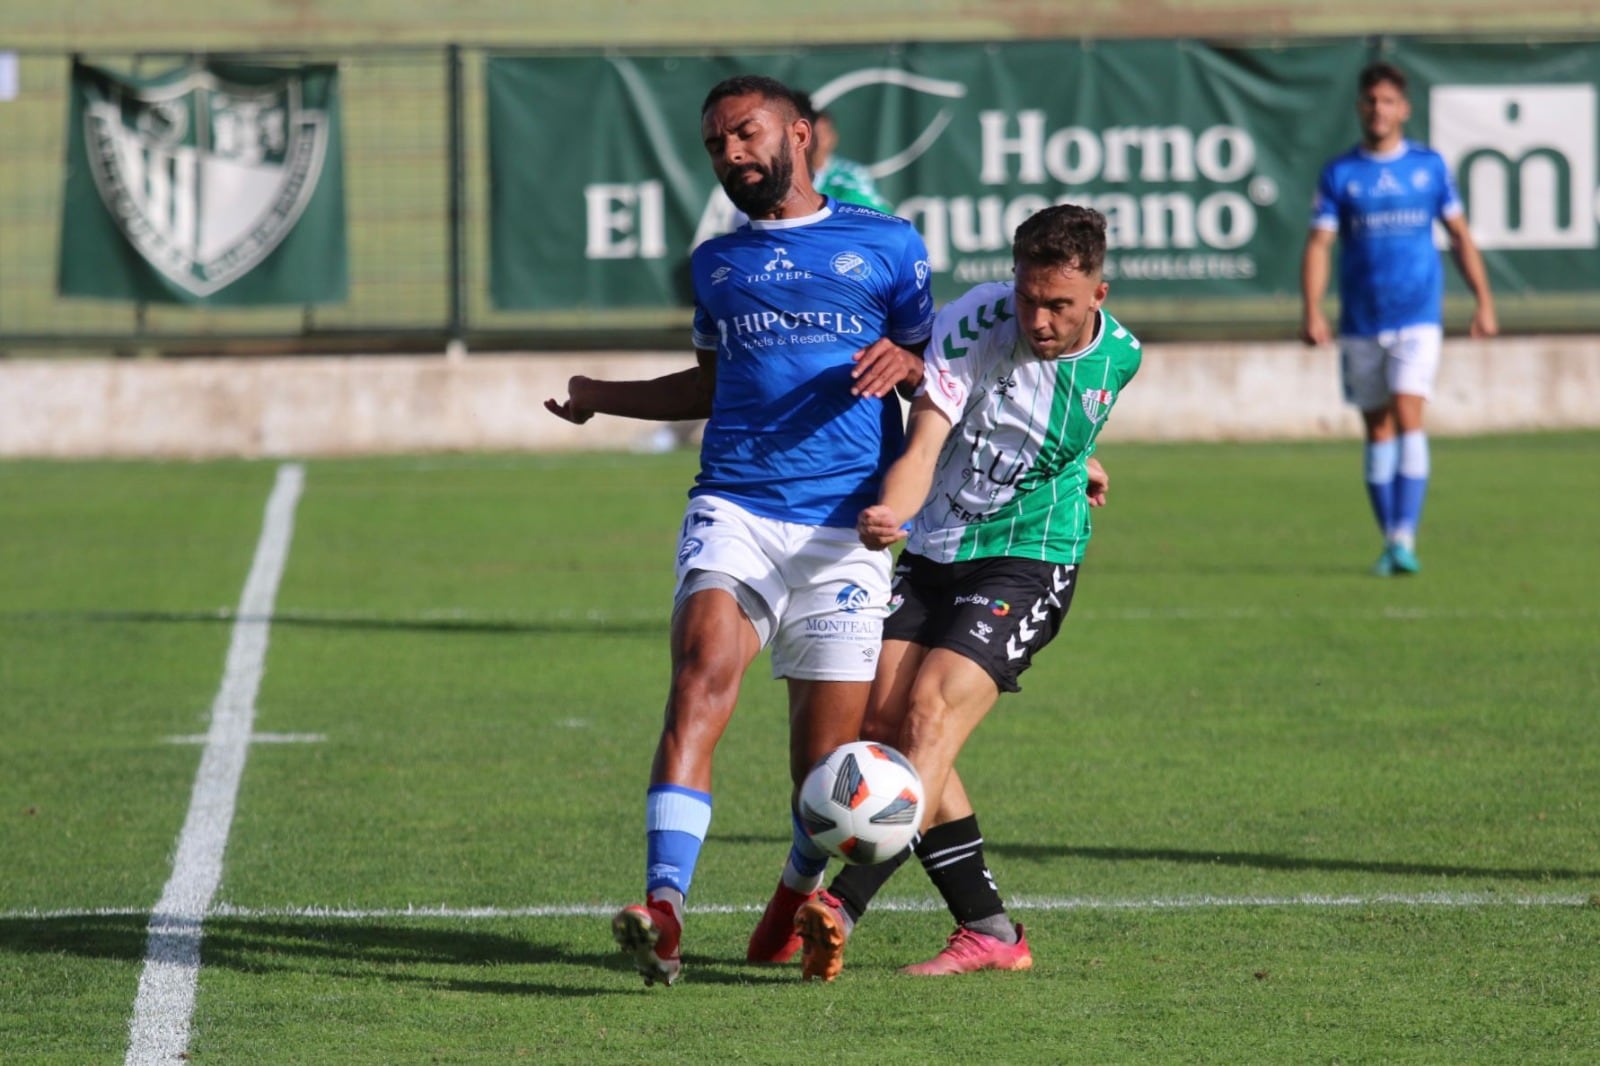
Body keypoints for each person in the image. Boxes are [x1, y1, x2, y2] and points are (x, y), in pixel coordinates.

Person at [545, 74, 934, 987]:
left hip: (847, 531)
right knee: (700, 677)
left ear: (800, 134)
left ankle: (794, 900)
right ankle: (666, 908)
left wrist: (912, 362)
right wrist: (606, 398)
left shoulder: (889, 245)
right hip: (737, 507)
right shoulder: (719, 265)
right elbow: (710, 387)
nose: (732, 155)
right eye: (717, 144)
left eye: (746, 134)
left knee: (825, 771)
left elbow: (937, 383)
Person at [767, 203, 1140, 980]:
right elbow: (927, 438)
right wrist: (890, 513)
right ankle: (990, 930)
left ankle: (841, 906)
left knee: (930, 712)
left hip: (1031, 557)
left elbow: (1058, 425)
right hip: (932, 545)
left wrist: (1080, 466)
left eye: (1059, 305)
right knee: (881, 722)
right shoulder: (976, 321)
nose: (1038, 317)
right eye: (1028, 296)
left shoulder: (1123, 360)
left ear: (1098, 295)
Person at [1300, 60, 1497, 577]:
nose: (1378, 110)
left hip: (1417, 317)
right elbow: (1320, 244)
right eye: (1370, 101)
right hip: (1362, 321)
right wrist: (1312, 309)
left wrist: (1484, 301)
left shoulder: (1429, 168)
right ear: (1359, 108)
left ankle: (1405, 536)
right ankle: (1391, 539)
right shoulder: (1341, 173)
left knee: (1410, 414)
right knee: (1377, 427)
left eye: (1388, 101)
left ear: (1404, 108)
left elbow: (1459, 236)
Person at [807, 100, 895, 215]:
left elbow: (881, 214)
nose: (818, 140)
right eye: (814, 133)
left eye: (823, 133)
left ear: (834, 137)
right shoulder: (789, 176)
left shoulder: (853, 175)